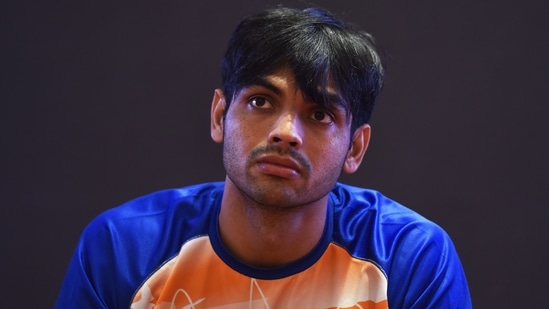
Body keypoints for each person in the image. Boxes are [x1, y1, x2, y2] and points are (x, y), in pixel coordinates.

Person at [56, 6, 472, 308]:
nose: (286, 133)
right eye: (260, 102)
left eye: (320, 114)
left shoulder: (410, 258)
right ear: (220, 116)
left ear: (356, 147)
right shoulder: (122, 248)